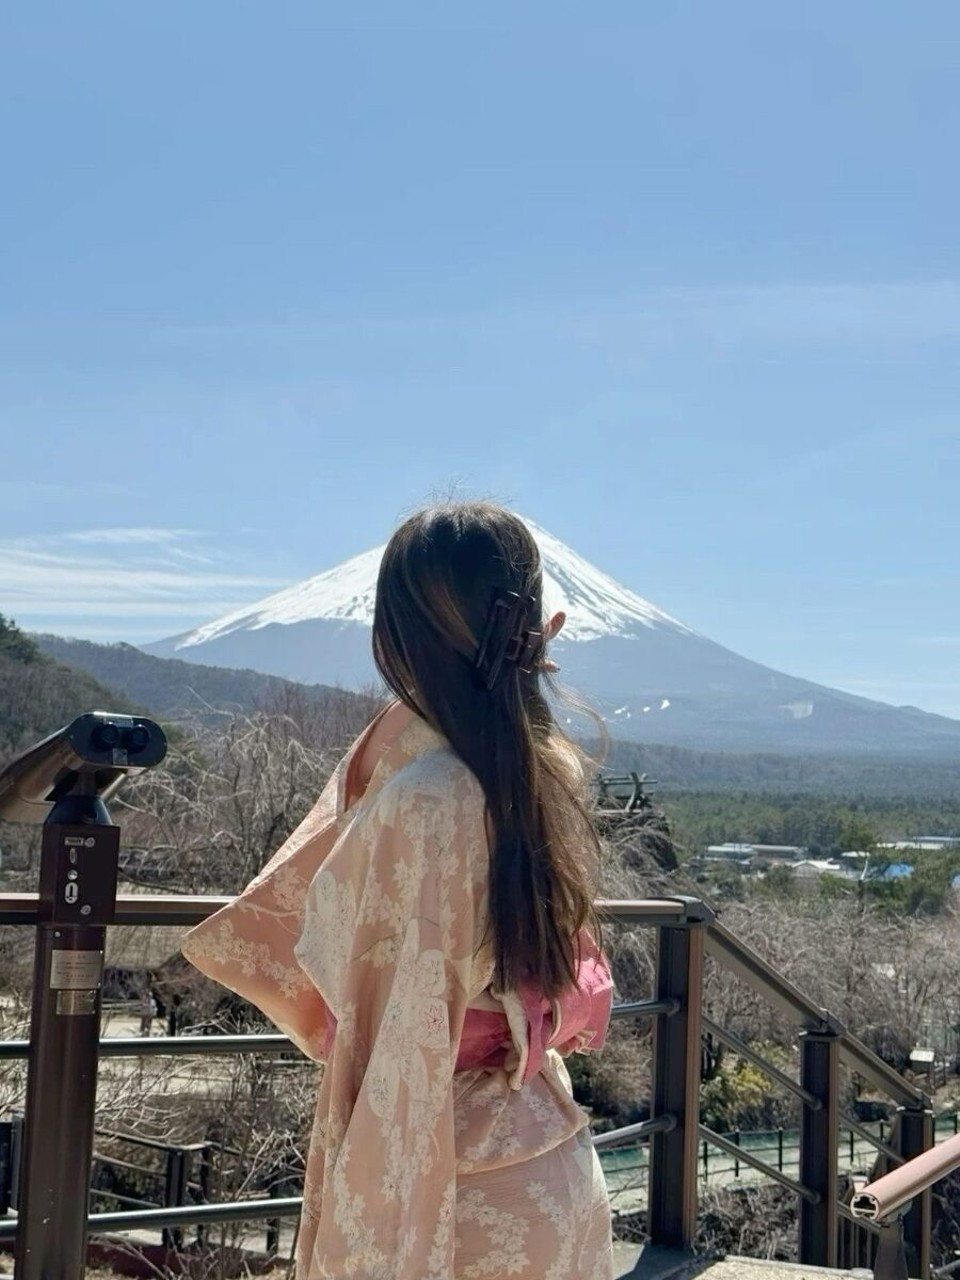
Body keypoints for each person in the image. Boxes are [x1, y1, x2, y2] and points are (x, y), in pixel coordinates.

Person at [181, 501, 614, 1279]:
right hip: (547, 1150)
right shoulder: (542, 765)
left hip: (454, 1186)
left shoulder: (425, 798)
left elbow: (393, 1054)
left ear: (397, 636)